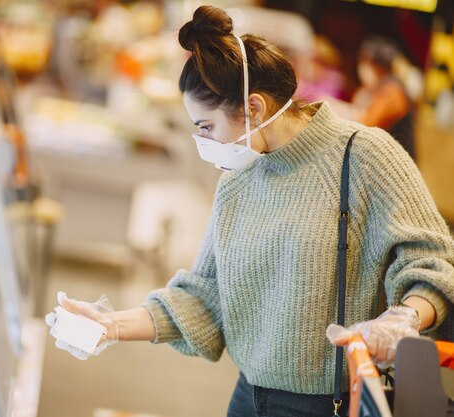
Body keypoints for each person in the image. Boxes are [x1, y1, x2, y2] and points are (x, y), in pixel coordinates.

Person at [46, 5, 454, 417]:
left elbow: (433, 262)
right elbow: (203, 296)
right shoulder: (238, 180)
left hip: (329, 405)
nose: (202, 141)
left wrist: (403, 317)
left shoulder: (365, 155)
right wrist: (111, 324)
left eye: (206, 127)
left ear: (253, 108)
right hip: (247, 398)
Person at [329, 36, 418, 159]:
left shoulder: (393, 90)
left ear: (376, 65)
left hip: (398, 161)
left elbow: (366, 124)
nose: (361, 68)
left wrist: (338, 110)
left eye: (364, 62)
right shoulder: (371, 88)